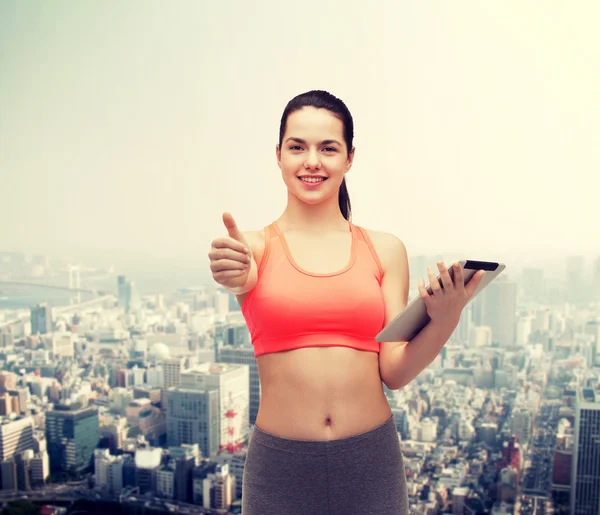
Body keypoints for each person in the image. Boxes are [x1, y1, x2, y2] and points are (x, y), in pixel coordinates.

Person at [208, 90, 484, 515]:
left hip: (370, 461)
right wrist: (234, 273)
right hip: (280, 467)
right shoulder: (254, 248)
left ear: (350, 158)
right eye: (297, 147)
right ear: (278, 155)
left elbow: (394, 371)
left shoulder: (386, 250)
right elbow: (239, 275)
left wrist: (447, 317)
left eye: (328, 148)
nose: (312, 161)